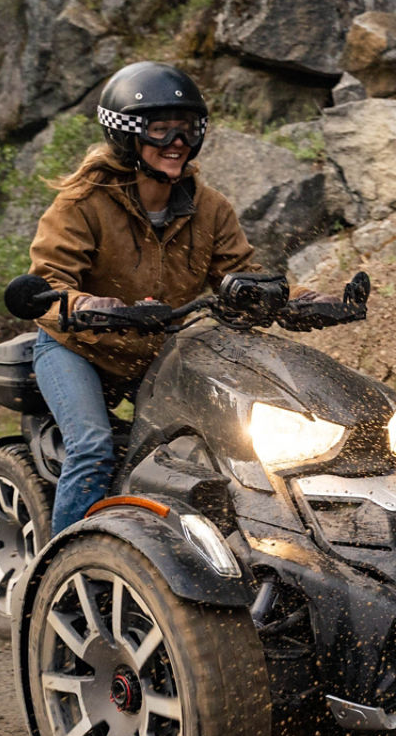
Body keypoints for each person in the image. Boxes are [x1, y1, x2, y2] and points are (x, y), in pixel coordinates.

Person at [29, 60, 323, 533]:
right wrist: (87, 306)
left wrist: (306, 301)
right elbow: (49, 283)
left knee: (223, 444)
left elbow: (242, 279)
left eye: (186, 131)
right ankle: (60, 577)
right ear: (127, 135)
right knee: (92, 449)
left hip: (157, 350)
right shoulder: (83, 202)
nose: (177, 144)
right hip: (78, 349)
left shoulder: (209, 206)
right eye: (161, 131)